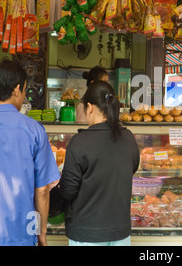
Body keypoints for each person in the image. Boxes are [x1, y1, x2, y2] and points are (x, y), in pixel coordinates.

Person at [0, 60, 60, 246]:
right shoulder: (35, 131)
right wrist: (42, 233)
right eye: (24, 91)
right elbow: (42, 191)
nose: (23, 97)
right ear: (16, 90)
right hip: (22, 237)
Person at [59, 80, 139, 246]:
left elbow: (68, 191)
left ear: (90, 107)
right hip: (120, 232)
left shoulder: (80, 142)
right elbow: (131, 169)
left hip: (87, 233)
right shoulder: (128, 138)